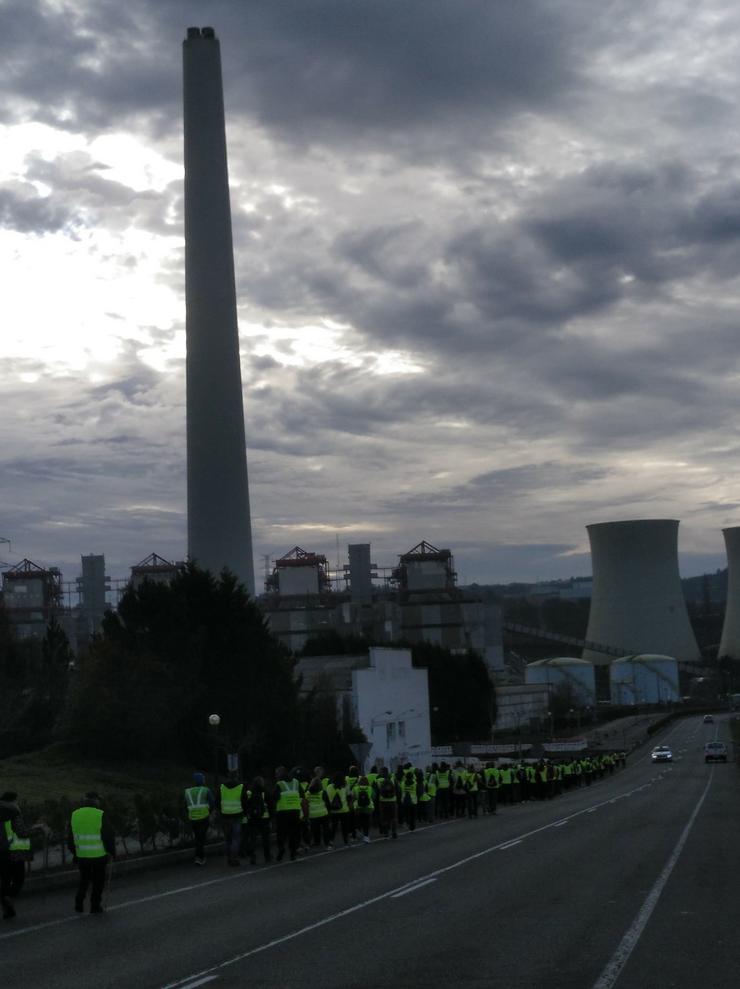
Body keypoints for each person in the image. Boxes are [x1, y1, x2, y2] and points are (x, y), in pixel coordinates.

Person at [68, 792, 115, 914]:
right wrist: (111, 852)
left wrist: (75, 851)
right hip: (98, 855)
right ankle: (95, 905)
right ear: (96, 801)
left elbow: (70, 837)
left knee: (84, 879)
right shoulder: (100, 815)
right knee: (98, 881)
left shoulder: (75, 815)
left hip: (82, 855)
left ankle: (79, 901)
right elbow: (108, 835)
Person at [1, 791, 29, 920]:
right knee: (19, 878)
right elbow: (22, 831)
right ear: (13, 800)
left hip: (1, 852)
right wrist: (38, 828)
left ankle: (8, 910)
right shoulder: (14, 812)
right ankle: (8, 897)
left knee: (5, 880)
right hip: (14, 852)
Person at [184, 771, 215, 865]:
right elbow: (212, 803)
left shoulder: (188, 791)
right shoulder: (206, 790)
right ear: (201, 780)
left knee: (198, 838)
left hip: (192, 818)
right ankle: (200, 858)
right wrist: (209, 812)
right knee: (201, 839)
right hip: (204, 817)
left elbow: (185, 805)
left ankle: (199, 857)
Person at [273, 766, 302, 861]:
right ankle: (293, 853)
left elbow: (275, 798)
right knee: (293, 833)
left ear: (280, 773)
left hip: (282, 812)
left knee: (281, 833)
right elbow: (302, 795)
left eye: (277, 773)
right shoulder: (296, 782)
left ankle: (281, 848)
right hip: (295, 811)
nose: (276, 775)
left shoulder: (279, 784)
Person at [219, 772, 248, 866]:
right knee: (236, 838)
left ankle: (229, 857)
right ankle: (234, 858)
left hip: (225, 815)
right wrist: (245, 812)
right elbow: (245, 801)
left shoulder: (222, 787)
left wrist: (221, 811)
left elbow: (217, 801)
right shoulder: (241, 787)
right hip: (237, 815)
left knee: (228, 838)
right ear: (236, 777)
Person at [242, 776, 272, 865]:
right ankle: (267, 856)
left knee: (253, 839)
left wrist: (247, 815)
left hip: (252, 818)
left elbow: (244, 804)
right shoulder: (265, 791)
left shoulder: (249, 792)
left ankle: (253, 856)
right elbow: (270, 804)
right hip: (264, 817)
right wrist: (272, 817)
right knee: (265, 838)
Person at [375, 768, 398, 839]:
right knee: (393, 817)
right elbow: (397, 789)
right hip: (392, 800)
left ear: (382, 772)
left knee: (384, 817)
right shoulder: (393, 779)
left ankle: (386, 833)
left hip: (383, 801)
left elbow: (375, 791)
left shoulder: (378, 780)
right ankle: (394, 832)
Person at [352, 775, 374, 843]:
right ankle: (366, 837)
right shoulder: (370, 788)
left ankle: (358, 830)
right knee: (366, 822)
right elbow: (373, 796)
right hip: (368, 807)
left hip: (358, 808)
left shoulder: (355, 788)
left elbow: (353, 798)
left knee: (359, 820)